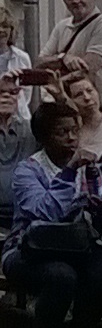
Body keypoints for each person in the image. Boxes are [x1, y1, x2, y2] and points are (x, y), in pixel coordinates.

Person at [7, 100, 102, 328]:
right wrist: (69, 172)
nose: (72, 138)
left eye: (75, 131)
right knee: (61, 277)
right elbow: (43, 212)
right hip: (29, 249)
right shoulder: (27, 171)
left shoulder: (87, 167)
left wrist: (101, 206)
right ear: (45, 137)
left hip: (76, 245)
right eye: (63, 133)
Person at [0, 83, 30, 224]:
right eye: (0, 92)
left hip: (24, 217)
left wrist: (60, 96)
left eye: (12, 92)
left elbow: (68, 128)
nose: (6, 96)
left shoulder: (30, 129)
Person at [0, 3, 32, 123]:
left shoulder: (22, 57)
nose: (1, 30)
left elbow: (27, 94)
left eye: (5, 26)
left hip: (20, 118)